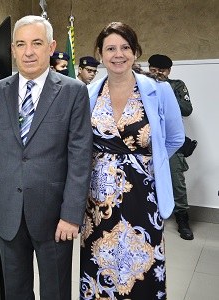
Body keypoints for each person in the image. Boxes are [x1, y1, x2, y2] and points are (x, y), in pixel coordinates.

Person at [0, 15, 93, 300]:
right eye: (21, 44)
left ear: (51, 47)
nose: (28, 52)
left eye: (36, 43)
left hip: (55, 217)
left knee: (56, 291)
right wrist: (12, 169)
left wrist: (71, 215)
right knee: (15, 291)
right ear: (13, 49)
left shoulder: (73, 91)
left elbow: (80, 156)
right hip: (8, 212)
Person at [80, 22, 185, 299]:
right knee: (100, 263)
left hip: (144, 194)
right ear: (100, 54)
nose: (118, 54)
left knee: (143, 267)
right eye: (110, 48)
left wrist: (150, 165)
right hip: (98, 198)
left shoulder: (159, 91)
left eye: (125, 47)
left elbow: (174, 138)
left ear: (135, 52)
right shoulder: (88, 94)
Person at [148, 53, 195, 240]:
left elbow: (187, 109)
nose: (158, 73)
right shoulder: (142, 84)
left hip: (170, 142)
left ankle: (182, 219)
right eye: (154, 69)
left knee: (176, 181)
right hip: (147, 141)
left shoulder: (175, 85)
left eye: (162, 70)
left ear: (169, 71)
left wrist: (165, 93)